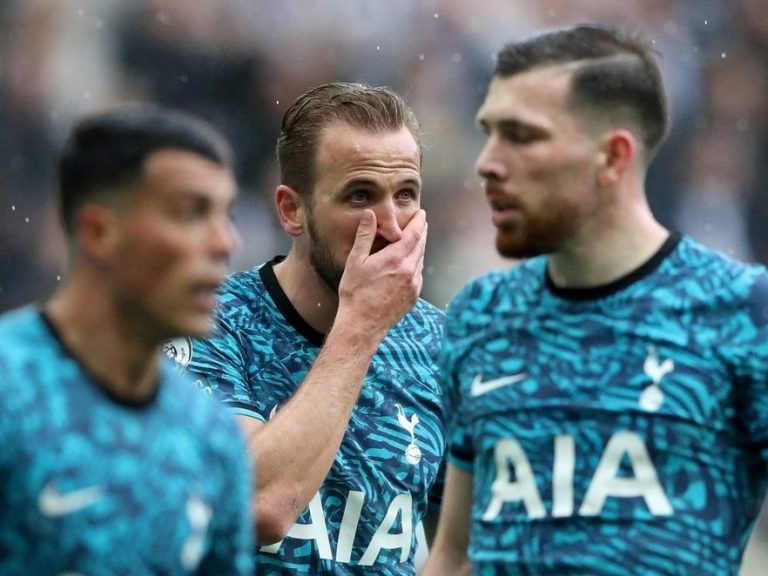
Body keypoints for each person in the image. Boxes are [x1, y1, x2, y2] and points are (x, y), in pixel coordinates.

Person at [423, 24, 768, 576]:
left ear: (612, 157)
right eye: (489, 132)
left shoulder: (745, 310)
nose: (487, 161)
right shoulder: (480, 315)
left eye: (522, 135)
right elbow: (454, 555)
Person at [168, 82, 446, 574]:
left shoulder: (441, 348)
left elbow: (479, 543)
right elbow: (258, 506)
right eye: (360, 195)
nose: (391, 225)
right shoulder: (206, 327)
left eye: (406, 195)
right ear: (292, 210)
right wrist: (360, 325)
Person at [0, 104, 254, 574]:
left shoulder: (210, 436)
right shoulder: (10, 390)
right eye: (190, 212)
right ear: (99, 231)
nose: (226, 243)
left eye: (227, 214)